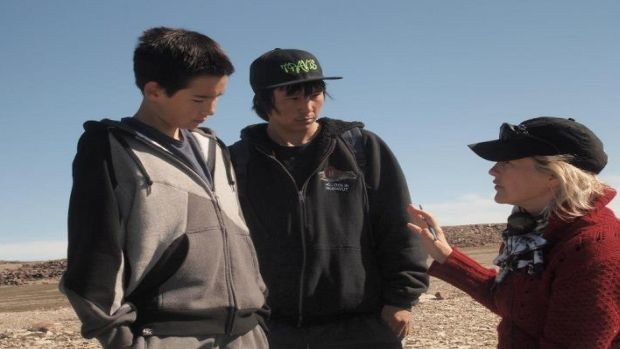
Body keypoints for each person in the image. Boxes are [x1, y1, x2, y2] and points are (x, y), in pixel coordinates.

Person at [60, 27, 269, 349]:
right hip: (166, 334)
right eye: (200, 98)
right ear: (154, 90)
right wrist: (120, 338)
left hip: (247, 333)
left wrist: (259, 309)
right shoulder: (110, 149)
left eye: (218, 97)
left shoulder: (215, 149)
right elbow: (94, 253)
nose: (211, 109)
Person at [229, 48, 429, 349]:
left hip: (361, 326)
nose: (308, 107)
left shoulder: (361, 148)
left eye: (315, 94)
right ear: (264, 101)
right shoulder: (238, 160)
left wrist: (401, 298)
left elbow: (398, 224)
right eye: (293, 98)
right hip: (272, 329)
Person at [407, 117, 620, 348]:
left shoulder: (594, 251)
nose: (492, 170)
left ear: (554, 176)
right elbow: (514, 304)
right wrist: (445, 255)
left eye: (507, 161)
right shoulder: (532, 232)